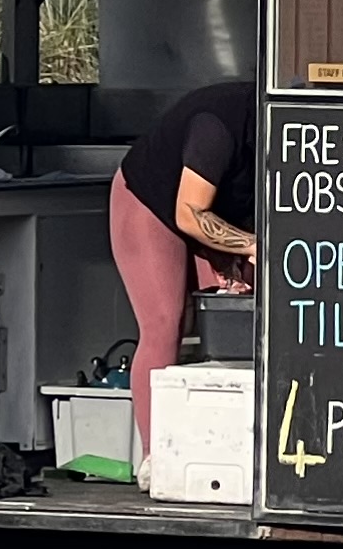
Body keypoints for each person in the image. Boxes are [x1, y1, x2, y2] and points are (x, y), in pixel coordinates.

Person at [111, 77, 259, 457]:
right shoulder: (219, 125)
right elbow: (190, 213)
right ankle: (155, 458)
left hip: (221, 208)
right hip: (153, 202)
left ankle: (229, 445)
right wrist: (250, 246)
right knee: (165, 322)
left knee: (238, 316)